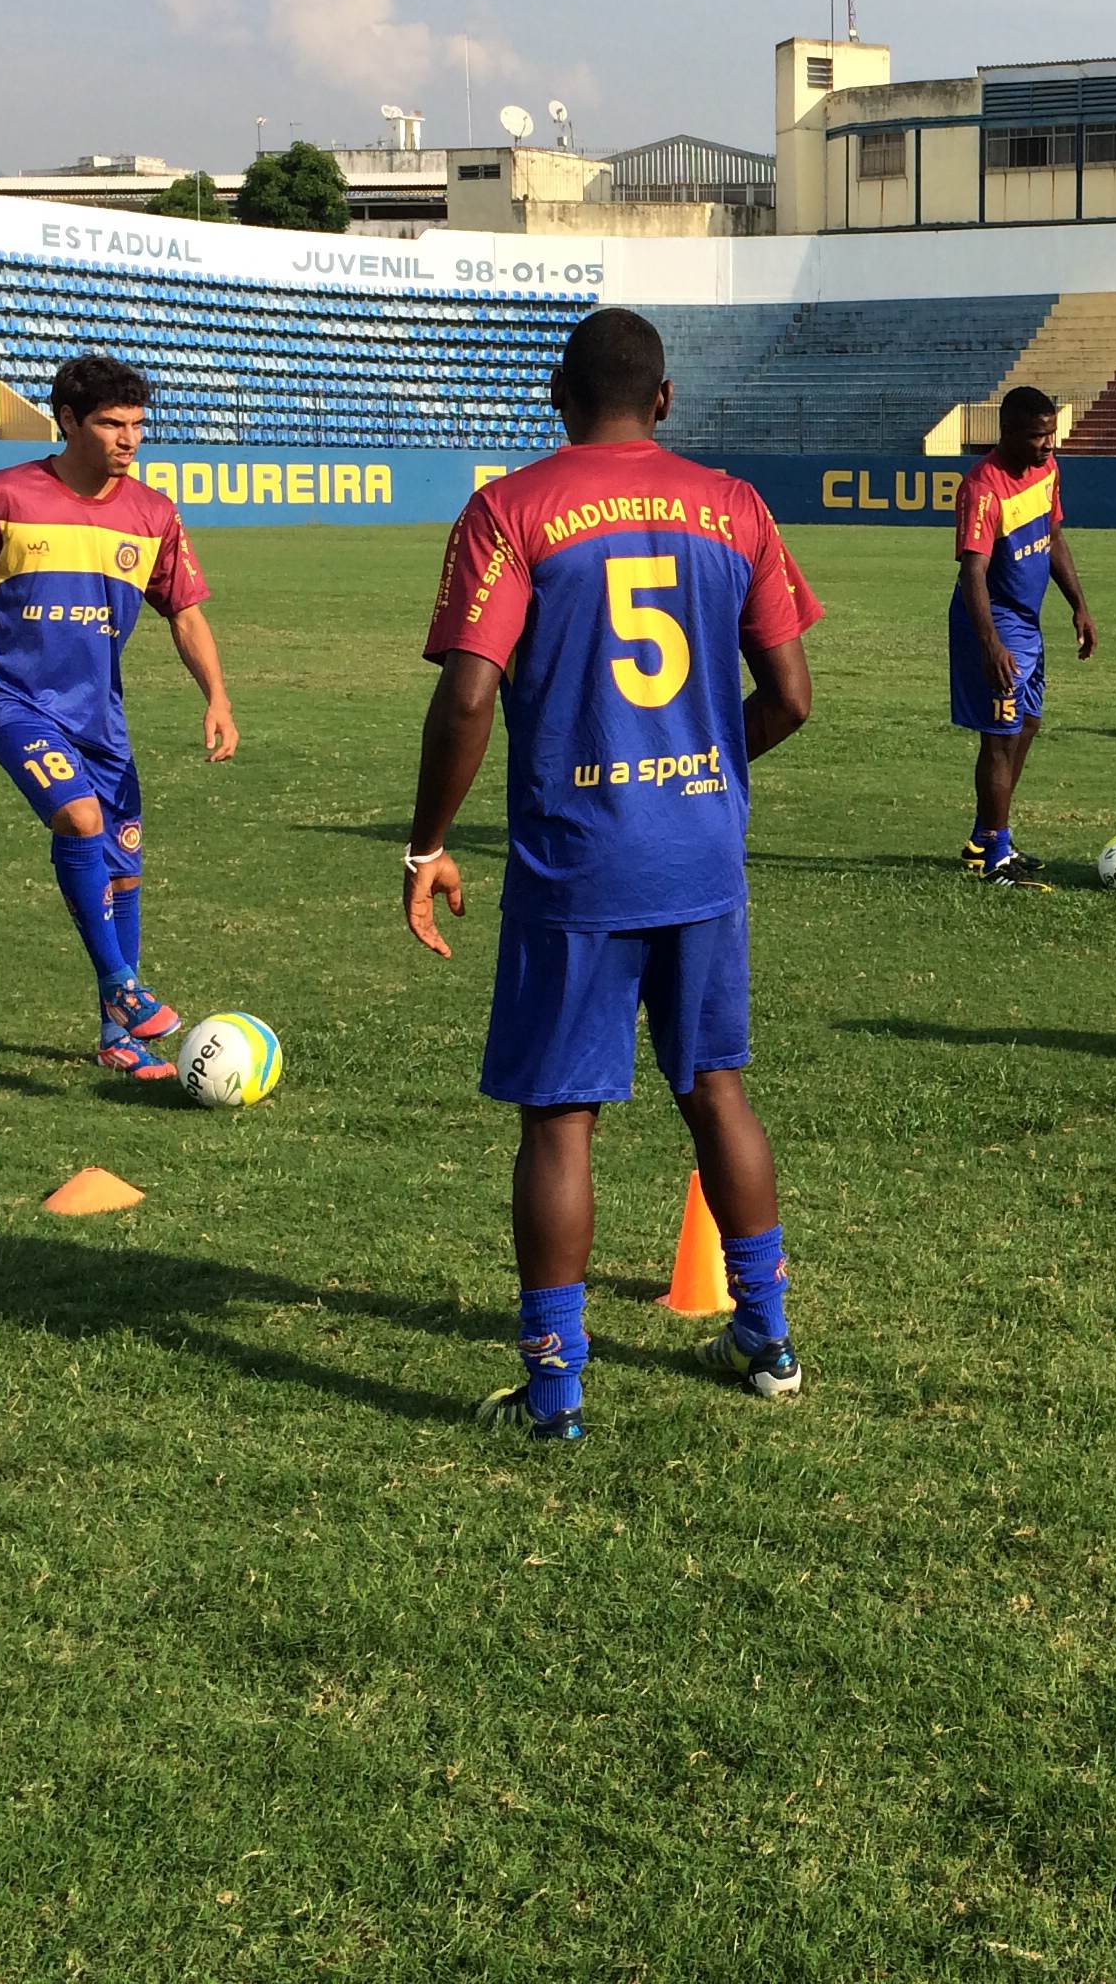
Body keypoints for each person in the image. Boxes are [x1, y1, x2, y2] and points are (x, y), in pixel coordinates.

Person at [406, 308, 823, 1434]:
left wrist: (427, 844)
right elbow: (790, 699)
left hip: (577, 856)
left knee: (560, 1124)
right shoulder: (733, 507)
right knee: (717, 1092)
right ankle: (770, 1341)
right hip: (700, 851)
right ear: (668, 399)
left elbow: (470, 694)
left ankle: (555, 1393)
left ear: (556, 394)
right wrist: (706, 764)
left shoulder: (511, 509)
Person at [0, 354, 234, 1083]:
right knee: (80, 819)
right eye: (112, 424)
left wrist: (216, 694)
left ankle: (118, 1038)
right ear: (67, 422)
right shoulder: (4, 494)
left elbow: (184, 612)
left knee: (123, 868)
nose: (129, 439)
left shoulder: (152, 514)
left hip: (100, 718)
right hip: (11, 700)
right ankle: (123, 987)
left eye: (138, 425)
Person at [951, 384, 1095, 886]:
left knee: (1028, 724)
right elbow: (973, 573)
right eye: (1038, 436)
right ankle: (997, 855)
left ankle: (985, 838)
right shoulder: (982, 487)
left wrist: (1079, 605)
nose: (1048, 444)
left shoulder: (1048, 470)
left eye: (1052, 433)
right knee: (1000, 736)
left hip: (1028, 622)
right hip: (996, 622)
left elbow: (1053, 537)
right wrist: (989, 642)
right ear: (1008, 432)